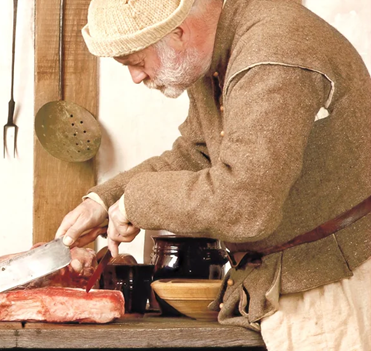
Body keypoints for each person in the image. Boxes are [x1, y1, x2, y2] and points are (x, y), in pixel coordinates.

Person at [54, 0, 371, 349]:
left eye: (136, 62)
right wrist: (105, 200)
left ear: (177, 32)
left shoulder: (271, 55)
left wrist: (139, 202)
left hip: (331, 291)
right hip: (289, 286)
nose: (136, 77)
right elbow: (199, 153)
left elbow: (247, 204)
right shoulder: (217, 46)